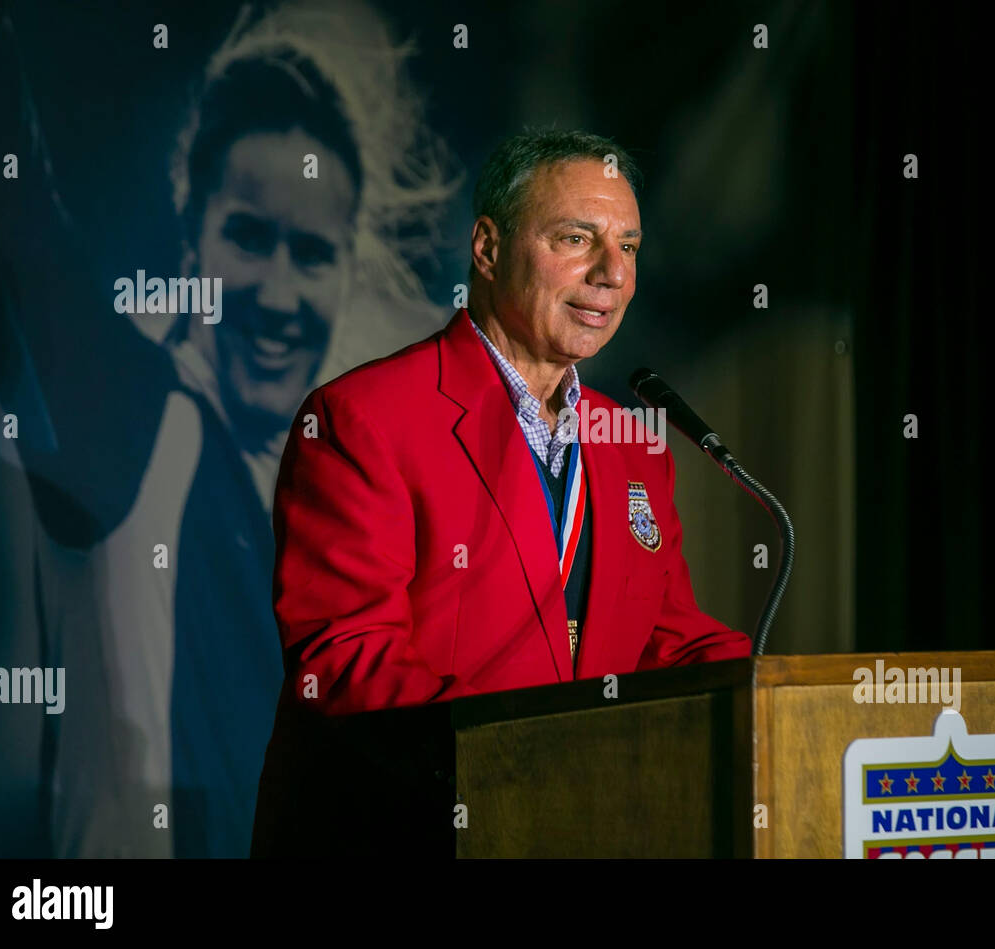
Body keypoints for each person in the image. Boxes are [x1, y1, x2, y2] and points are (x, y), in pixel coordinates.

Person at [0, 0, 456, 857]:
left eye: (311, 254)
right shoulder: (135, 413)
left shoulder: (323, 517)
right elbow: (25, 211)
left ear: (344, 272)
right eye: (248, 237)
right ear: (190, 235)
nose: (276, 292)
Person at [269, 130, 751, 719]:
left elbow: (665, 642)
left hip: (591, 803)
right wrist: (521, 749)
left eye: (628, 247)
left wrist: (781, 691)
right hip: (435, 803)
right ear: (488, 249)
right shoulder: (361, 420)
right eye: (577, 239)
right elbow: (347, 663)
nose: (613, 274)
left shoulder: (632, 442)